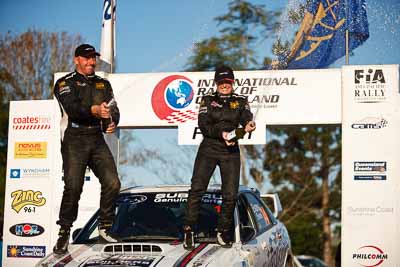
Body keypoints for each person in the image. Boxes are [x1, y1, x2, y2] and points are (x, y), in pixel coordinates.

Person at [53, 44, 121, 254]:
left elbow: (113, 107)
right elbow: (72, 108)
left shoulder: (103, 83)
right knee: (74, 186)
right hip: (74, 137)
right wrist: (94, 110)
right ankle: (64, 232)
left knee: (113, 183)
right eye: (86, 58)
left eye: (93, 58)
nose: (91, 62)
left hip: (96, 137)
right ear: (76, 60)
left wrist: (112, 122)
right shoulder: (65, 83)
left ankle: (105, 227)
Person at [183, 65, 256, 250]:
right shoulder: (207, 100)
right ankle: (189, 229)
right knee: (197, 189)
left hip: (230, 151)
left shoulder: (240, 100)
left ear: (233, 83)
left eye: (228, 82)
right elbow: (204, 124)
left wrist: (248, 124)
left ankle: (222, 232)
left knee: (230, 194)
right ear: (216, 83)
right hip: (209, 148)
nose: (225, 85)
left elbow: (247, 116)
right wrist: (222, 134)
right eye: (221, 82)